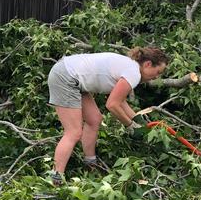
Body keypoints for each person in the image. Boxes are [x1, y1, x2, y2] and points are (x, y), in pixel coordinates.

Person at [47, 47, 169, 186]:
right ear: (147, 64)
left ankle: (90, 163)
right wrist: (131, 126)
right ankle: (55, 179)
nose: (156, 77)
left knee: (94, 120)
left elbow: (121, 100)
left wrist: (138, 120)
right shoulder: (133, 72)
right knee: (73, 132)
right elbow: (112, 104)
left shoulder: (130, 67)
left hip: (71, 76)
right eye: (157, 72)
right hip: (66, 77)